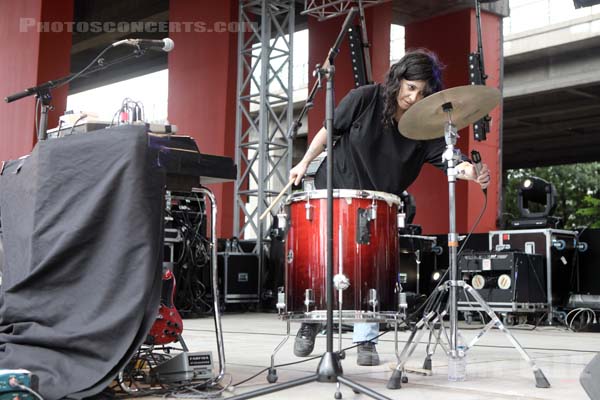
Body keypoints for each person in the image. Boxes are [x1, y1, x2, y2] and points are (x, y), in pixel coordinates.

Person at [288, 49, 490, 366]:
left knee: (371, 268)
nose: (413, 96)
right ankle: (311, 323)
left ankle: (365, 340)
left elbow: (451, 160)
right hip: (336, 187)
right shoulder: (366, 98)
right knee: (327, 260)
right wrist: (303, 163)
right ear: (398, 79)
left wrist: (472, 172)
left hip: (380, 203)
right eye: (410, 87)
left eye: (422, 91)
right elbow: (330, 131)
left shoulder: (426, 126)